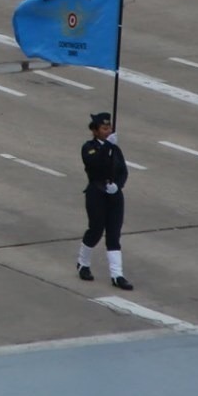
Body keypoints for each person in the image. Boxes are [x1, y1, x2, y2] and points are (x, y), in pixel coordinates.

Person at [78, 111, 131, 290]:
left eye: (109, 128)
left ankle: (117, 275)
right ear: (95, 130)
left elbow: (123, 171)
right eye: (104, 128)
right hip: (96, 193)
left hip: (114, 195)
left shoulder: (115, 148)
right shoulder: (89, 147)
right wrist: (107, 145)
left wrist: (118, 185)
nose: (108, 131)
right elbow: (95, 164)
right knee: (95, 230)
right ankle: (83, 263)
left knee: (114, 234)